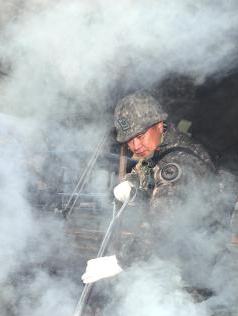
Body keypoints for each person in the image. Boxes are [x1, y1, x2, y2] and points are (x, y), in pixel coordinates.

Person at [81, 90, 226, 285]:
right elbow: (145, 168)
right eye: (129, 140)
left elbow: (161, 227)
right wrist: (131, 182)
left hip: (196, 270)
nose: (135, 145)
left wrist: (121, 260)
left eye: (140, 135)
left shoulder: (178, 164)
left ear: (159, 125)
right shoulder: (163, 146)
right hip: (182, 258)